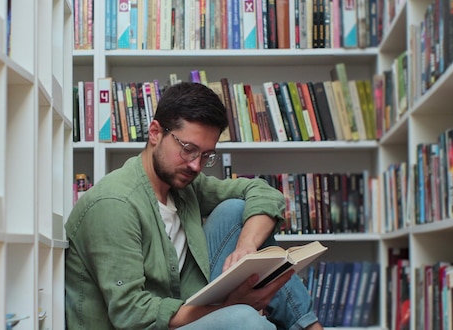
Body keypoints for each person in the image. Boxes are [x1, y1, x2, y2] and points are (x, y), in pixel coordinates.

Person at [65, 82, 323, 330]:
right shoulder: (115, 204)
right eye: (188, 149)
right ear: (155, 133)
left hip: (181, 302)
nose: (196, 166)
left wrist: (247, 247)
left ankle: (310, 326)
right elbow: (132, 315)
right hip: (142, 324)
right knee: (245, 320)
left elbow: (263, 193)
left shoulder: (183, 184)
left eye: (206, 155)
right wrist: (229, 306)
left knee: (236, 211)